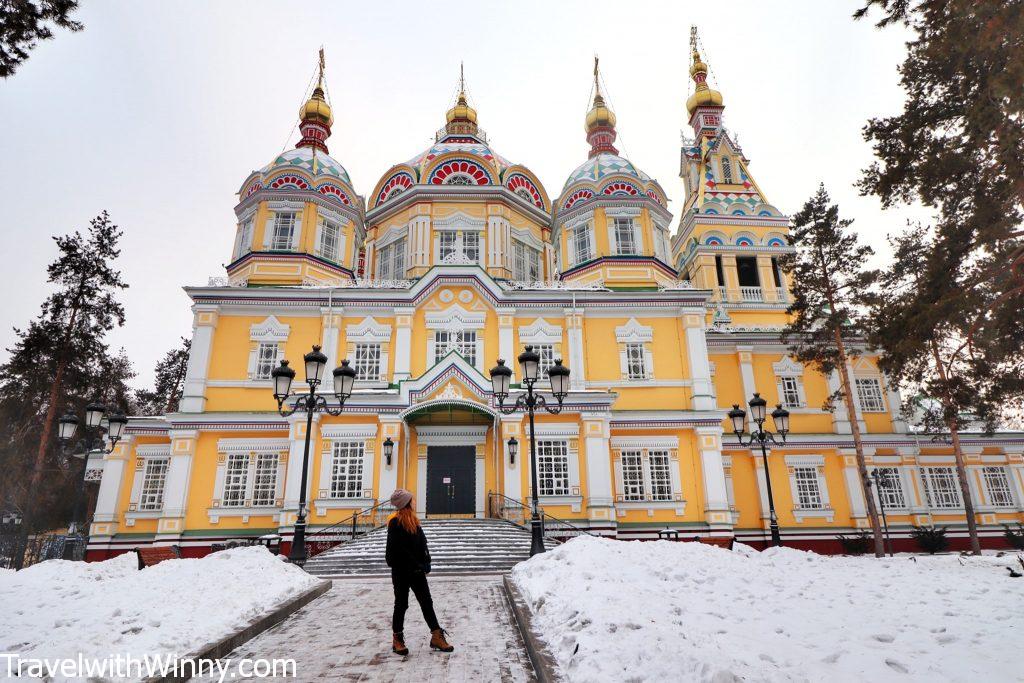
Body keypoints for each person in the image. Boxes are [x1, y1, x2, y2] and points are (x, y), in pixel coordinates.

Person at [385, 488, 454, 655]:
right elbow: (395, 552)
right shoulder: (395, 523)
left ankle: (436, 636)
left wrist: (426, 561)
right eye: (412, 500)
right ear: (406, 503)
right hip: (401, 572)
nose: (414, 502)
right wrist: (416, 563)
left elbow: (423, 544)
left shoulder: (415, 522)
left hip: (417, 571)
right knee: (401, 604)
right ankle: (397, 639)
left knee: (427, 603)